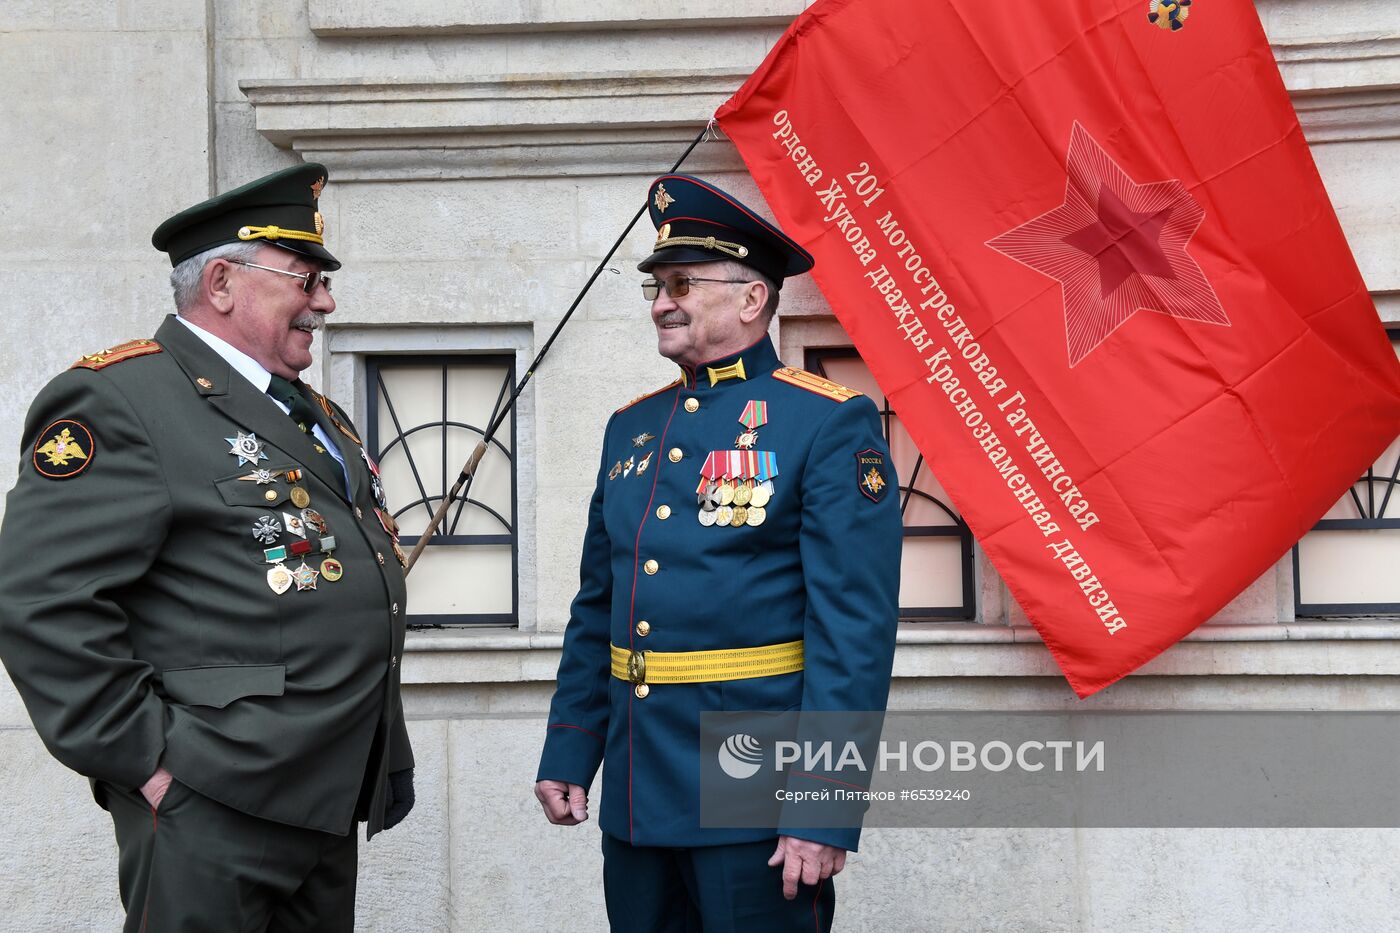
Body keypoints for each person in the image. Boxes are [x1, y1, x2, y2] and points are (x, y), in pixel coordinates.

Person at [0, 163, 414, 932]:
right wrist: (151, 765)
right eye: (305, 278)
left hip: (323, 796)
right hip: (211, 800)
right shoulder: (123, 400)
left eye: (324, 281)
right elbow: (42, 602)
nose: (325, 301)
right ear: (222, 282)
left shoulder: (313, 414)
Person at [535, 174, 902, 931]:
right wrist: (572, 746)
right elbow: (599, 606)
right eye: (657, 287)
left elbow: (853, 635)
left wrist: (823, 805)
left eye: (682, 284)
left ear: (751, 299)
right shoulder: (631, 428)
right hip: (637, 787)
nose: (661, 303)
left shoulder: (825, 422)